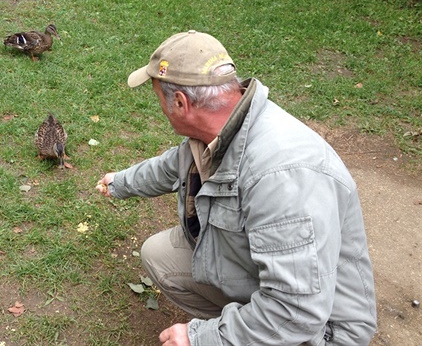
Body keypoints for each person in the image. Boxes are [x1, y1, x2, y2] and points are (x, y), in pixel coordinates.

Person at [95, 30, 377, 345]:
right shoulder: (218, 129)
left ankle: (244, 332)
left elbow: (298, 312)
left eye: (157, 95)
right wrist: (119, 182)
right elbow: (169, 167)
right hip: (271, 283)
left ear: (180, 102)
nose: (158, 105)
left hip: (322, 332)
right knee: (160, 254)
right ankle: (247, 325)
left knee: (267, 325)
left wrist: (201, 338)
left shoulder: (281, 176)